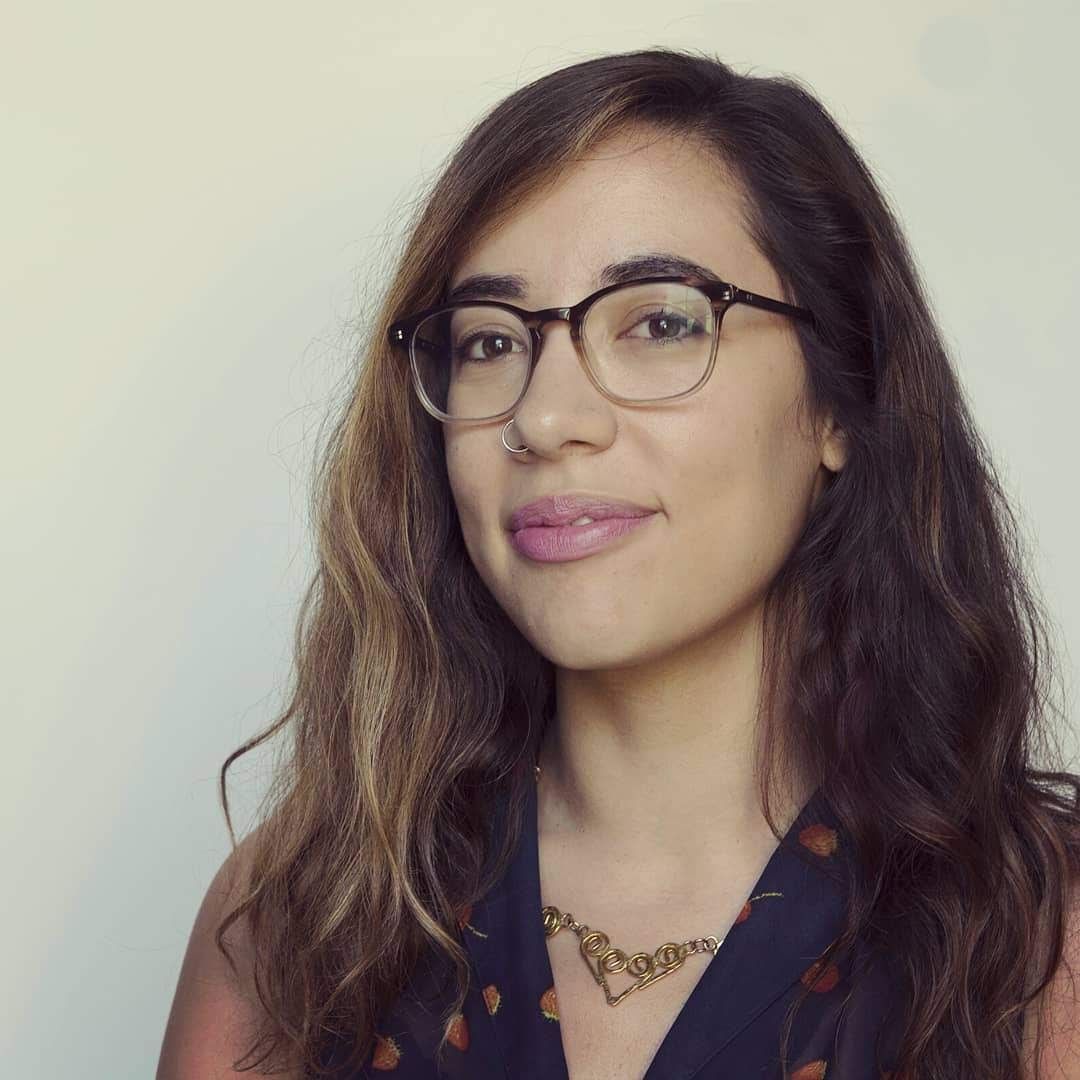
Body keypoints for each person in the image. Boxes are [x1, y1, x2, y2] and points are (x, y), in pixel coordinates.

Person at [157, 47, 1080, 1079]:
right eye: (491, 342)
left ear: (836, 399)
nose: (546, 419)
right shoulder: (299, 918)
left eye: (659, 321)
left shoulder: (1038, 935)